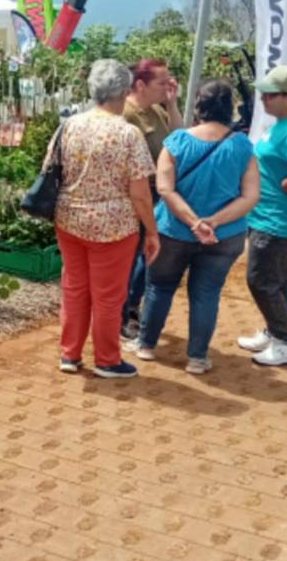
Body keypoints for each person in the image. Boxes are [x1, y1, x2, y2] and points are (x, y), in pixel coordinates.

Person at [131, 80, 259, 375]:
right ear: (229, 109)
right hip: (225, 235)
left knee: (159, 287)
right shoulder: (242, 145)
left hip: (173, 230)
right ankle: (197, 358)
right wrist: (212, 222)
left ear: (198, 106)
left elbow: (164, 188)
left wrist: (192, 222)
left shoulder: (176, 142)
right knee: (206, 293)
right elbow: (251, 195)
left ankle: (146, 345)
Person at [51, 59, 161, 380]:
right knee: (109, 295)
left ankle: (70, 354)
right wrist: (152, 231)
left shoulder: (69, 125)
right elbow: (140, 193)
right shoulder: (128, 134)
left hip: (70, 219)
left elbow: (53, 169)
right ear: (125, 92)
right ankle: (107, 359)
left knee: (74, 287)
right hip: (113, 226)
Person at [236, 67, 287, 367]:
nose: (264, 99)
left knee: (260, 281)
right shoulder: (284, 123)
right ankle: (275, 332)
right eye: (263, 93)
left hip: (277, 219)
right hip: (267, 215)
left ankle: (285, 342)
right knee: (276, 278)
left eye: (271, 94)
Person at [120, 58, 183, 340]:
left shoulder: (156, 110)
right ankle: (123, 315)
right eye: (162, 82)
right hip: (134, 199)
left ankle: (132, 305)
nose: (168, 86)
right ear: (141, 85)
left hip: (157, 196)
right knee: (129, 258)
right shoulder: (126, 114)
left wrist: (172, 104)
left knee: (149, 254)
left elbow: (178, 140)